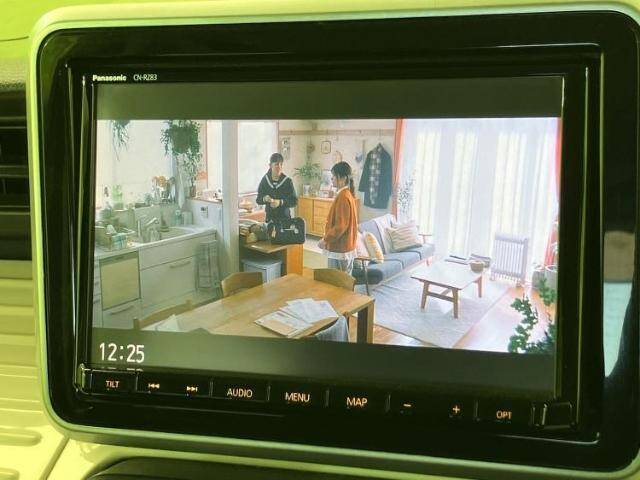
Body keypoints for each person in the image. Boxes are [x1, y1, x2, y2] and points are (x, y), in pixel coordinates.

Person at [318, 161, 358, 274]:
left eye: (334, 176)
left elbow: (340, 226)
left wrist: (325, 240)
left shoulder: (343, 197)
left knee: (335, 281)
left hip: (340, 249)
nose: (332, 179)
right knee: (345, 280)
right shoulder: (347, 194)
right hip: (345, 247)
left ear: (342, 178)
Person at [256, 153, 298, 223]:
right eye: (276, 164)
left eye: (281, 164)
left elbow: (294, 201)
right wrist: (264, 198)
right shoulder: (265, 180)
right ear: (270, 165)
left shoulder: (287, 181)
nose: (279, 167)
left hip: (285, 220)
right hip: (270, 220)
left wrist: (280, 202)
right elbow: (258, 200)